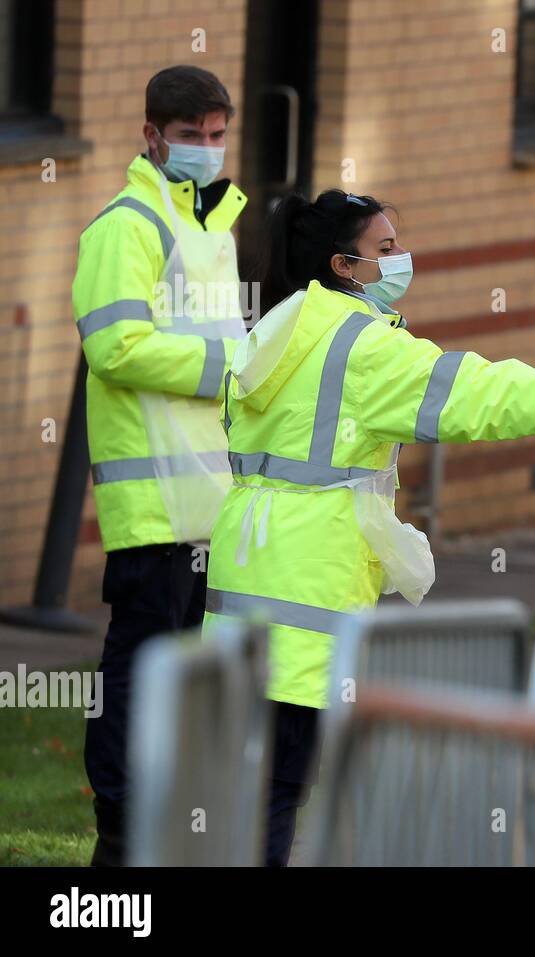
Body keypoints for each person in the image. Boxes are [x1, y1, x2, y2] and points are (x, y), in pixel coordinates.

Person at [203, 188, 535, 865]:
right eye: (385, 250)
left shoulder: (276, 328)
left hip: (245, 574)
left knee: (256, 785)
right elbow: (482, 394)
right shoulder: (364, 348)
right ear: (344, 265)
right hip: (310, 590)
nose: (401, 260)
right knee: (285, 789)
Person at [74, 65, 247, 866]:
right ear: (152, 136)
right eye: (190, 138)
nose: (207, 152)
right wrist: (227, 364)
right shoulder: (126, 225)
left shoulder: (211, 228)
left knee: (187, 683)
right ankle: (117, 843)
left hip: (208, 499)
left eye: (217, 137)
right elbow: (113, 346)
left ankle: (164, 835)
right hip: (154, 506)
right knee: (139, 676)